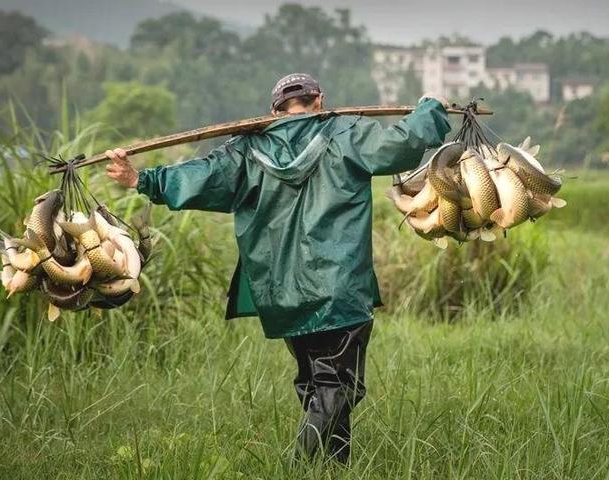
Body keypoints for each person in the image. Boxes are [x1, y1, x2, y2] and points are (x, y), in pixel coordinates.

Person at [105, 73, 451, 464]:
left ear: (275, 110)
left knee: (316, 386)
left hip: (281, 293)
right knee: (338, 386)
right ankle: (298, 465)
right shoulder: (346, 134)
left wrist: (140, 179)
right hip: (338, 288)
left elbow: (200, 177)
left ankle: (333, 467)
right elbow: (403, 144)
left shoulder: (244, 152)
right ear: (318, 101)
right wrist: (431, 107)